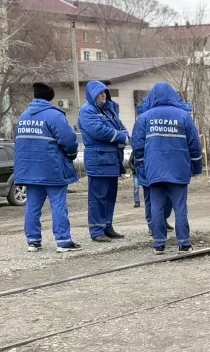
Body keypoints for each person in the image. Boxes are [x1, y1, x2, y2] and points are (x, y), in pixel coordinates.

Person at [132, 82, 203, 254]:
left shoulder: (145, 117)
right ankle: (184, 243)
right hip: (178, 168)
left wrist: (141, 166)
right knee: (180, 207)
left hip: (154, 169)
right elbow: (194, 144)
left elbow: (137, 145)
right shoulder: (183, 116)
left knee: (156, 206)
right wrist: (196, 166)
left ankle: (159, 244)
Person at [13, 82, 82, 253]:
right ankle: (63, 241)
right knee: (58, 204)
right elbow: (69, 141)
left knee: (32, 206)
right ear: (50, 97)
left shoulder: (23, 117)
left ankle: (33, 241)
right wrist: (72, 155)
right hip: (52, 168)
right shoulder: (54, 116)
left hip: (29, 169)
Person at [78, 80, 129, 243]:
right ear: (92, 95)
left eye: (105, 92)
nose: (103, 95)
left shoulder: (109, 111)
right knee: (98, 197)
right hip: (98, 159)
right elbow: (99, 131)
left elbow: (122, 128)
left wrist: (122, 135)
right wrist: (120, 137)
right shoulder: (87, 111)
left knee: (109, 196)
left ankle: (107, 226)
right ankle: (96, 230)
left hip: (112, 158)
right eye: (100, 93)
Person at [131, 91, 174, 231]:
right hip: (147, 163)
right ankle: (153, 224)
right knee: (150, 197)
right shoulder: (144, 118)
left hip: (165, 163)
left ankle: (162, 219)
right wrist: (141, 160)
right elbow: (137, 142)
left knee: (167, 197)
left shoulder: (163, 116)